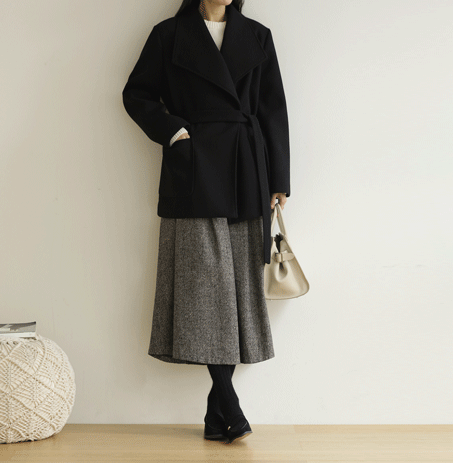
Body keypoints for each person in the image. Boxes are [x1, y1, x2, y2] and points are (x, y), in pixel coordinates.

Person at [122, 0, 290, 444]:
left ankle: (218, 416)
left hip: (246, 168)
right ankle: (228, 404)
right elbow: (136, 94)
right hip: (195, 168)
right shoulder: (168, 35)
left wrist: (279, 180)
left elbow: (273, 108)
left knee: (237, 287)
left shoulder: (257, 36)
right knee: (205, 289)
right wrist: (174, 132)